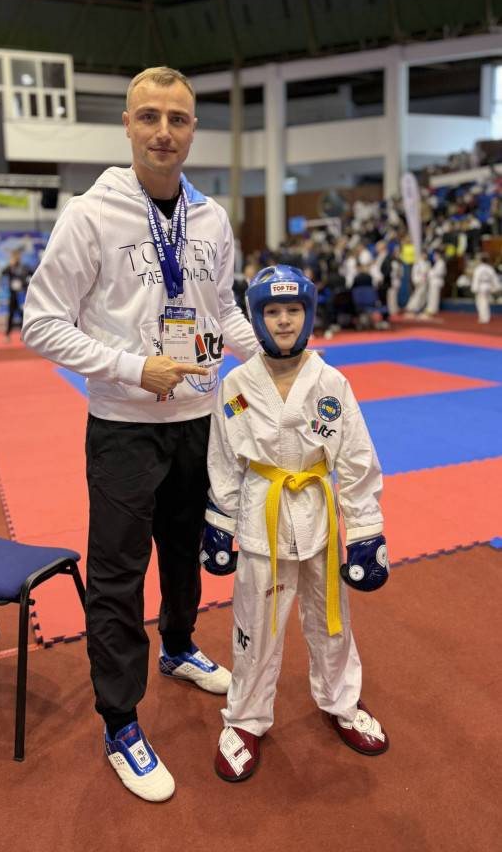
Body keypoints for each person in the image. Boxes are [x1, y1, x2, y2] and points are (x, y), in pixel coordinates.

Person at [22, 66, 259, 802]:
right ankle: (120, 721)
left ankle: (179, 646)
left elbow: (222, 310)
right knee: (119, 577)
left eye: (177, 119)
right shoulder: (90, 215)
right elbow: (40, 323)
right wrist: (132, 367)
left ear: (193, 131)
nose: (163, 132)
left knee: (187, 556)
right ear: (127, 124)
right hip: (124, 427)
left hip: (198, 422)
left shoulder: (212, 218)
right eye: (149, 116)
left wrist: (282, 364)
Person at [200, 264, 389, 783]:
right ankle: (244, 719)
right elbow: (224, 461)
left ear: (308, 314)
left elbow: (357, 462)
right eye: (272, 311)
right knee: (254, 628)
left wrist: (367, 534)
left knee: (332, 623)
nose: (284, 320)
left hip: (319, 520)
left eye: (293, 310)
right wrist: (219, 523)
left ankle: (342, 702)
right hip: (260, 520)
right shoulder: (236, 385)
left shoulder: (332, 382)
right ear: (256, 318)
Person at [2, 250, 30, 340]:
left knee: (22, 315)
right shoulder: (11, 267)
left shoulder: (23, 267)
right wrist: (10, 264)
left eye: (18, 256)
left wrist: (25, 284)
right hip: (13, 295)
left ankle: (24, 335)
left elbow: (30, 275)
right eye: (14, 256)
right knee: (11, 314)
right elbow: (3, 272)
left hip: (21, 295)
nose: (17, 258)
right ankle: (7, 335)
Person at [471, 253, 501, 324]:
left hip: (481, 286)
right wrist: (496, 287)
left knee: (482, 302)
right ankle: (484, 317)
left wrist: (474, 288)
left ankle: (484, 318)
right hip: (488, 285)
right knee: (484, 302)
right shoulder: (490, 268)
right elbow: (494, 278)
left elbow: (476, 279)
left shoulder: (478, 268)